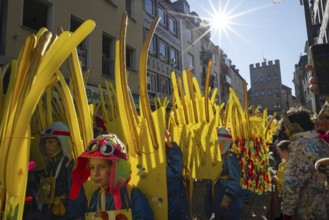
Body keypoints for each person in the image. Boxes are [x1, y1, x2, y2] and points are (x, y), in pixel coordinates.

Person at [69, 133, 154, 220]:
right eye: (92, 167)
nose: (95, 173)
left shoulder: (132, 196)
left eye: (102, 167)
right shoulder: (93, 200)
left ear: (116, 168)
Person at [281, 107, 329, 220]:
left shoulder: (299, 146)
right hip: (323, 205)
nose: (285, 131)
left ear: (294, 127)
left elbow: (292, 183)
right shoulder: (321, 142)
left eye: (286, 128)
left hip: (306, 209)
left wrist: (287, 212)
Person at [37, 121, 86, 219]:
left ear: (61, 142)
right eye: (45, 142)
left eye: (51, 142)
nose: (46, 145)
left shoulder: (69, 166)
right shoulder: (49, 165)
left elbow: (76, 198)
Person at [205, 127, 243, 220]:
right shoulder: (217, 159)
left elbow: (235, 180)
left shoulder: (230, 158)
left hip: (227, 201)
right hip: (217, 196)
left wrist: (227, 198)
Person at [165, 130, 190, 220]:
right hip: (173, 201)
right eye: (165, 131)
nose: (169, 133)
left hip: (176, 199)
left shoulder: (171, 149)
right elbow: (174, 175)